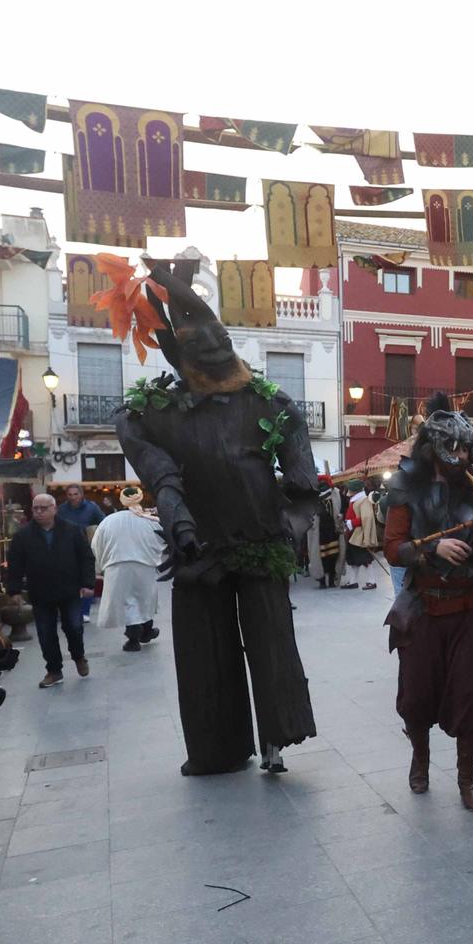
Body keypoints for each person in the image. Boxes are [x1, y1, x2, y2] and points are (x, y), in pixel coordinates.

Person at [114, 259, 320, 776]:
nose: (213, 348)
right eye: (198, 341)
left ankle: (279, 737)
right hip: (197, 551)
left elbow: (301, 484)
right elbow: (160, 473)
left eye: (219, 337)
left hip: (261, 541)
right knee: (203, 654)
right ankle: (216, 747)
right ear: (175, 350)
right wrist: (179, 522)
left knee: (273, 648)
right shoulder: (146, 415)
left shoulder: (272, 404)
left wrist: (288, 532)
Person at [384, 395, 473, 811]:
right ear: (432, 448)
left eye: (466, 448)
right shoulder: (406, 484)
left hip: (470, 607)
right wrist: (431, 552)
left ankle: (466, 780)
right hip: (423, 609)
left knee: (472, 695)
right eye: (451, 448)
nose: (461, 456)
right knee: (417, 695)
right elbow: (391, 547)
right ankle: (419, 761)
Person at [5, 493, 96, 689]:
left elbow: (86, 558)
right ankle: (54, 670)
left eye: (43, 508)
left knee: (74, 627)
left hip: (69, 589)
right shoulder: (23, 536)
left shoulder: (72, 530)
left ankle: (79, 656)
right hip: (41, 591)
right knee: (46, 633)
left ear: (54, 509)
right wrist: (14, 591)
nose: (38, 512)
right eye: (35, 508)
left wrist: (87, 584)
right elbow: (15, 564)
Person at [91, 487, 162, 651]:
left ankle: (134, 637)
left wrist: (102, 564)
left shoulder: (109, 521)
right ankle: (144, 631)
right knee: (144, 600)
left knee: (128, 601)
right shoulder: (150, 521)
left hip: (118, 566)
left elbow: (97, 544)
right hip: (144, 565)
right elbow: (161, 541)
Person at [55, 483, 106, 623]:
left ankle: (84, 611)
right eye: (70, 494)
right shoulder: (62, 509)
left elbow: (104, 523)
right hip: (66, 549)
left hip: (86, 549)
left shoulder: (91, 507)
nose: (73, 497)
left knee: (86, 578)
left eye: (75, 494)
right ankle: (69, 609)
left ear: (81, 494)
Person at [343, 479, 380, 590]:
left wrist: (351, 522)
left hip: (359, 535)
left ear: (354, 490)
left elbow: (367, 518)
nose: (348, 490)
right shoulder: (356, 499)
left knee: (365, 559)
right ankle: (353, 581)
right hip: (353, 533)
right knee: (353, 559)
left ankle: (372, 581)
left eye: (350, 488)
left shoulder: (364, 501)